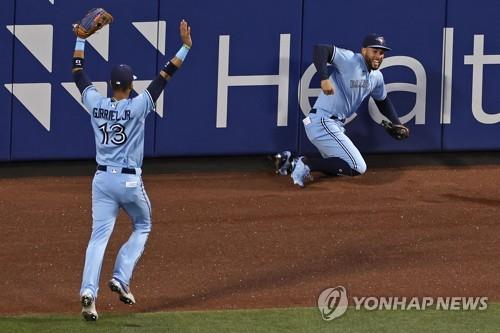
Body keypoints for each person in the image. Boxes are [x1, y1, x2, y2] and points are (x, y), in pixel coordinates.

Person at [73, 20, 192, 321]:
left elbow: (78, 74)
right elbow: (166, 74)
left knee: (98, 237)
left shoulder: (96, 103)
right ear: (129, 85)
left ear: (111, 85)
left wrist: (80, 40)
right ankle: (121, 277)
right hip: (127, 182)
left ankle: (88, 292)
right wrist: (185, 46)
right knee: (142, 225)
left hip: (101, 180)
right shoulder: (139, 106)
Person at [274, 33, 409, 187]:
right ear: (364, 51)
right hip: (322, 121)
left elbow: (383, 101)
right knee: (358, 167)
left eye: (382, 52)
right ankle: (305, 163)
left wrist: (398, 123)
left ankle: (291, 162)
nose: (378, 56)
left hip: (334, 125)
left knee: (338, 167)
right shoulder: (351, 60)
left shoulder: (377, 77)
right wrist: (324, 78)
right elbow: (321, 49)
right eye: (375, 51)